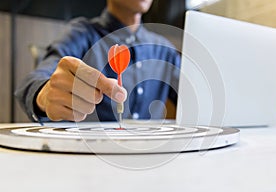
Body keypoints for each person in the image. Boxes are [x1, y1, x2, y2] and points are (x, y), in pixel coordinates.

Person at [15, 0, 181, 123]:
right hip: (89, 159)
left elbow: (197, 96)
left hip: (151, 157)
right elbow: (33, 80)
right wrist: (44, 95)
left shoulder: (165, 50)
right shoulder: (81, 34)